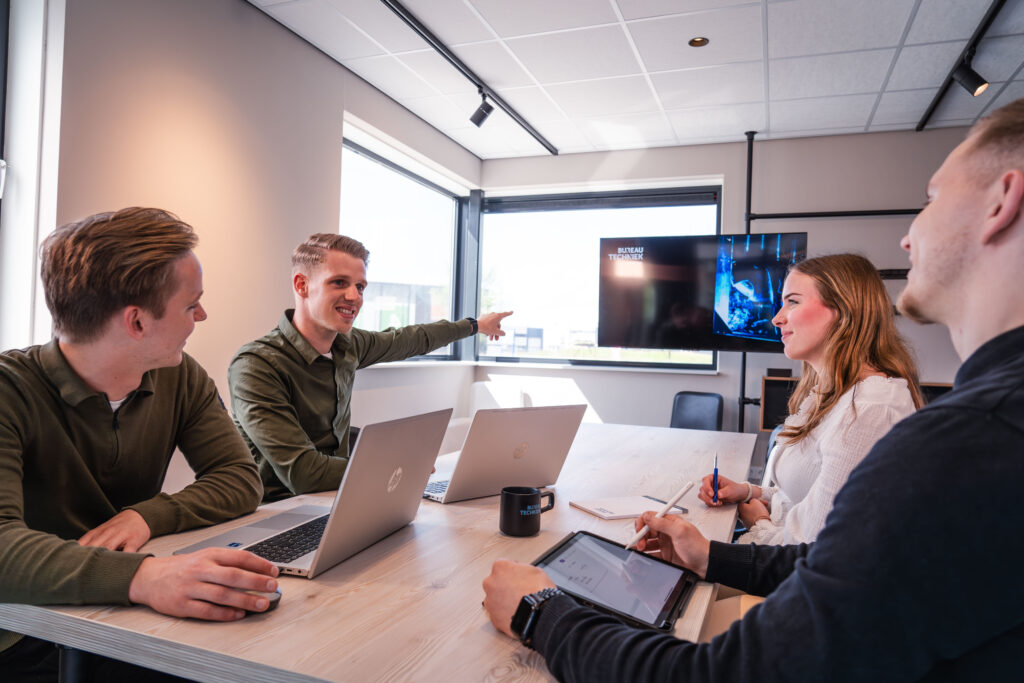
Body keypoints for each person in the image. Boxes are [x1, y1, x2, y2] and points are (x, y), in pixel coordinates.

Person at [482, 97, 1024, 681]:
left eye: (934, 200)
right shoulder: (976, 427)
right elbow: (825, 564)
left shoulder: (961, 436)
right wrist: (710, 552)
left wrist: (541, 614)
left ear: (1002, 200)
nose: (907, 238)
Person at [0, 208, 281, 681]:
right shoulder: (10, 391)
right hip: (28, 633)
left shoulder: (180, 375)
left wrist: (145, 516)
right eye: (192, 305)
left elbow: (238, 479)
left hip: (128, 614)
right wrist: (143, 577)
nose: (202, 315)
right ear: (136, 322)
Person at [229, 233, 512, 502]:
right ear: (302, 285)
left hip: (340, 498)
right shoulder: (256, 366)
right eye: (339, 283)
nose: (354, 297)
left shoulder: (348, 345)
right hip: (278, 512)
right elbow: (303, 473)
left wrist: (475, 326)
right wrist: (394, 465)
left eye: (360, 286)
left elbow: (411, 339)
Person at [697, 253, 921, 544]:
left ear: (843, 309)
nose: (777, 319)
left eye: (793, 301)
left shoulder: (868, 410)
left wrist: (760, 524)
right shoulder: (831, 391)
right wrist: (750, 492)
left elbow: (813, 549)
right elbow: (808, 495)